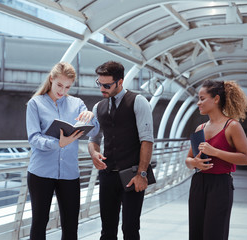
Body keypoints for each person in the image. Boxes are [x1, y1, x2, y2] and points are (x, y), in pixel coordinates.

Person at [26, 62, 100, 240]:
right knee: (39, 222)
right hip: (41, 172)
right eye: (59, 85)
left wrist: (92, 117)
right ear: (51, 79)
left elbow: (95, 131)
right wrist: (58, 143)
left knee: (71, 225)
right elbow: (34, 138)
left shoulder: (77, 104)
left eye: (67, 87)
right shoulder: (35, 104)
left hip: (69, 173)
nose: (62, 90)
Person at [88, 61, 154, 240]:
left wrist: (142, 173)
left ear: (120, 82)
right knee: (107, 230)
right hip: (108, 175)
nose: (102, 88)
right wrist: (94, 153)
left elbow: (147, 140)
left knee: (130, 229)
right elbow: (93, 139)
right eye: (99, 84)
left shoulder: (138, 102)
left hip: (132, 175)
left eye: (107, 85)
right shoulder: (98, 107)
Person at [185, 79, 247, 240]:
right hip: (198, 183)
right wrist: (194, 163)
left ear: (216, 99)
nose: (198, 103)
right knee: (195, 233)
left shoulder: (232, 126)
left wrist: (215, 151)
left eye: (202, 98)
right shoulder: (200, 128)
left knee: (214, 233)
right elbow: (188, 160)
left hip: (220, 185)